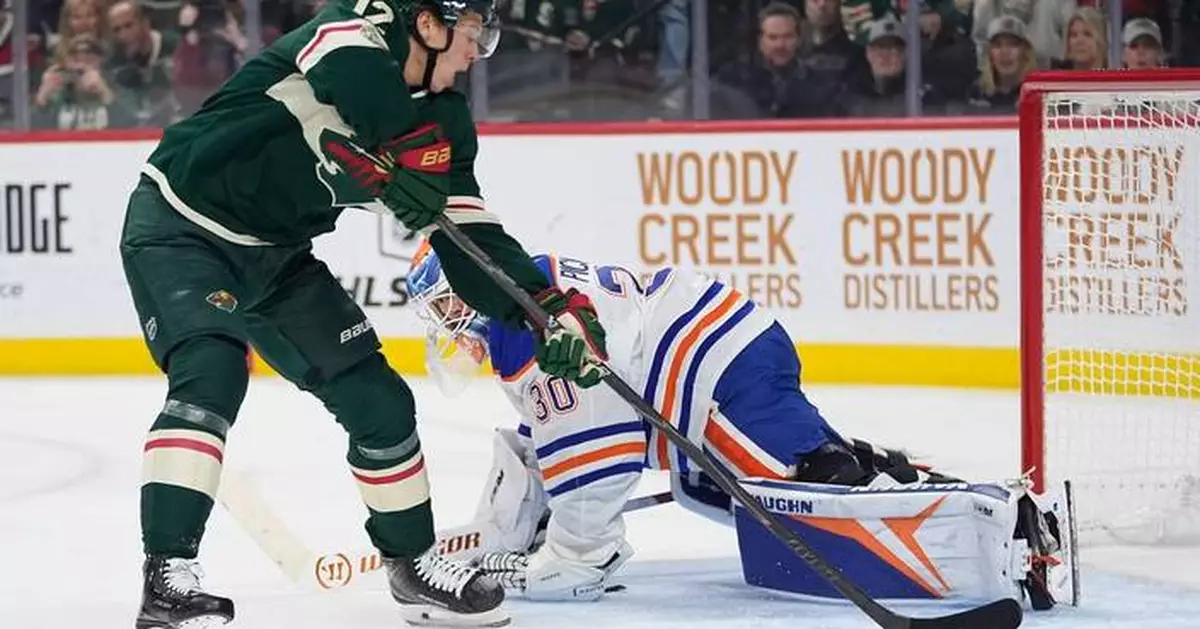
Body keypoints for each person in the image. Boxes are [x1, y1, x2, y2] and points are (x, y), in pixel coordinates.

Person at [120, 0, 607, 627]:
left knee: (380, 402)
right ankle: (167, 579)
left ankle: (413, 567)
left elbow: (474, 244)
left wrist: (548, 312)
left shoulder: (445, 122)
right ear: (427, 24)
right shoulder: (356, 29)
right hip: (181, 225)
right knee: (211, 370)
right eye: (471, 35)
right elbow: (345, 63)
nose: (475, 55)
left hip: (277, 254)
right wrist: (399, 145)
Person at [406, 244, 1074, 607]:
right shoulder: (533, 296)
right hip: (718, 351)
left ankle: (1008, 527)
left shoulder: (539, 342)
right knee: (780, 472)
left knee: (812, 490)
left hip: (715, 375)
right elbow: (541, 446)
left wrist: (568, 557)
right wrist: (490, 536)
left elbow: (593, 469)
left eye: (443, 307)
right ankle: (898, 473)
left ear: (470, 288)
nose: (445, 327)